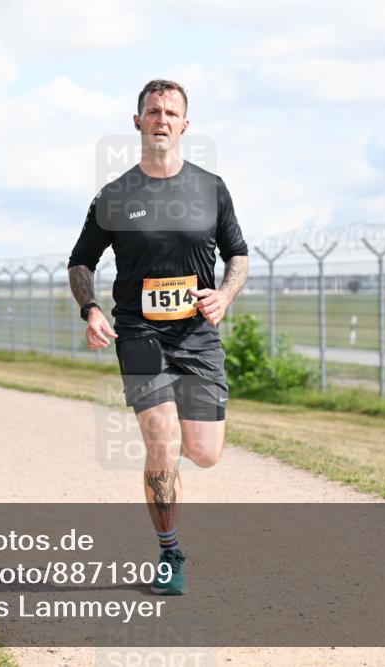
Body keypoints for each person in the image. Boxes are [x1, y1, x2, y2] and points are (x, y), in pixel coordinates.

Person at [67, 80, 249, 596]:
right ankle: (170, 552)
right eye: (153, 111)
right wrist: (91, 308)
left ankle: (172, 475)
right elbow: (81, 260)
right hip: (140, 334)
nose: (161, 119)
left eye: (171, 112)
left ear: (185, 125)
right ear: (138, 122)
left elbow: (238, 254)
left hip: (198, 336)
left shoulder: (211, 187)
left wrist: (225, 295)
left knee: (204, 451)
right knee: (163, 441)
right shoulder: (115, 196)